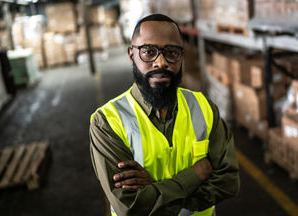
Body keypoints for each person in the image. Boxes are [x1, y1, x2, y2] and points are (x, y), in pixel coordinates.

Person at [89, 14, 240, 216]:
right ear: (131, 54)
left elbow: (228, 181)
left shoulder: (203, 107)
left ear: (181, 56)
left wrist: (155, 191)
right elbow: (131, 207)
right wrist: (195, 175)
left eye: (171, 52)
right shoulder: (107, 122)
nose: (161, 62)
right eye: (149, 52)